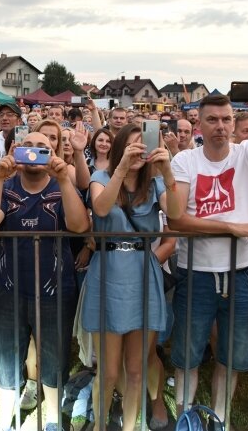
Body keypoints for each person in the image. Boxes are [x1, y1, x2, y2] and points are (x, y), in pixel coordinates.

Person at [167, 84, 248, 424]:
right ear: (199, 124)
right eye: (212, 120)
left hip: (242, 271)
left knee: (232, 355)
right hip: (196, 271)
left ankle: (220, 417)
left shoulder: (247, 153)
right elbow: (178, 219)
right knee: (187, 354)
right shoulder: (185, 159)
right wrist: (231, 228)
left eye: (226, 119)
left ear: (233, 123)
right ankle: (184, 417)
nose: (220, 125)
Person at [0, 131, 90, 431]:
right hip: (9, 290)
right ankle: (5, 421)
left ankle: (52, 419)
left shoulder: (60, 186)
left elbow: (79, 226)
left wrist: (65, 179)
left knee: (53, 359)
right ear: (17, 150)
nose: (35, 152)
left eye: (43, 147)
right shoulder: (8, 185)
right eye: (29, 146)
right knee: (7, 358)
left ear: (54, 151)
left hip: (55, 290)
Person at [83, 124, 182, 430]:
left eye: (146, 143)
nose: (141, 149)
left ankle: (130, 426)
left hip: (142, 271)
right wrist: (122, 167)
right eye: (133, 144)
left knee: (137, 368)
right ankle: (100, 425)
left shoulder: (154, 185)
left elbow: (176, 214)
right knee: (110, 371)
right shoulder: (100, 178)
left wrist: (167, 173)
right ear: (120, 147)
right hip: (109, 269)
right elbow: (100, 209)